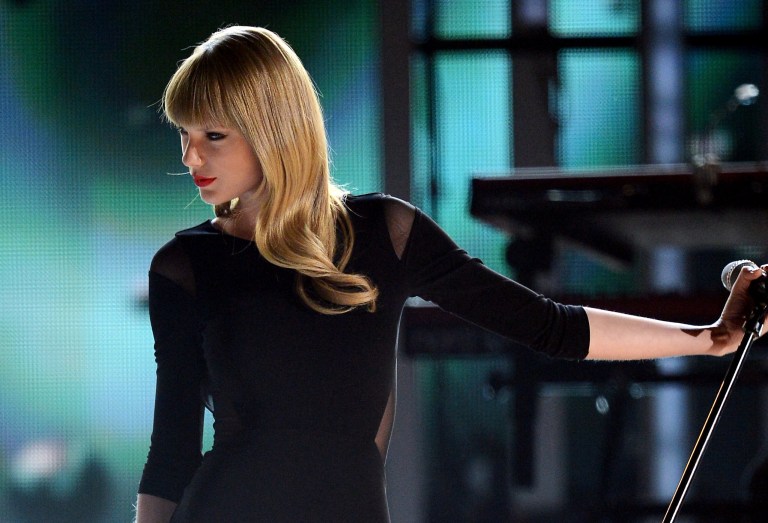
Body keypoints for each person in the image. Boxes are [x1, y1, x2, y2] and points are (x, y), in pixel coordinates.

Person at [135, 25, 766, 523]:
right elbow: (171, 453)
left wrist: (707, 337)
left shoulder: (385, 232)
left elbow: (549, 326)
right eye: (184, 135)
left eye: (212, 135)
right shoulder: (185, 266)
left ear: (273, 131)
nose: (190, 156)